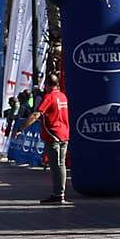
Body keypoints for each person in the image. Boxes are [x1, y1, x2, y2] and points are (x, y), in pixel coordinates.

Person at [36, 72, 70, 204]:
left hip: (53, 136)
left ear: (47, 85)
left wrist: (22, 128)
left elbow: (37, 114)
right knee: (60, 165)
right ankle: (59, 193)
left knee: (56, 166)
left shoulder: (49, 97)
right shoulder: (63, 96)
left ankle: (58, 194)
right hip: (63, 134)